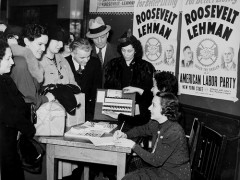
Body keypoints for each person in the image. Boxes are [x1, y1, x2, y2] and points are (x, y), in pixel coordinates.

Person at [113, 92, 191, 180]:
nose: (149, 108)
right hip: (160, 169)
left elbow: (156, 161)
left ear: (165, 110)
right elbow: (142, 130)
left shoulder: (174, 132)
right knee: (130, 172)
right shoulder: (156, 123)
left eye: (153, 105)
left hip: (174, 175)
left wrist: (132, 145)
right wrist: (125, 135)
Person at [104, 29, 155, 128]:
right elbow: (107, 88)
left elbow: (149, 94)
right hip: (115, 109)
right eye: (123, 50)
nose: (126, 54)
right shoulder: (112, 65)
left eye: (129, 51)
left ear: (136, 50)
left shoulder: (146, 67)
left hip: (137, 114)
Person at [0, 40, 36, 180]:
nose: (12, 63)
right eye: (8, 58)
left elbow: (20, 104)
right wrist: (28, 128)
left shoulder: (6, 80)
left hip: (10, 143)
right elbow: (8, 113)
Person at [104, 71, 178, 132]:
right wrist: (139, 90)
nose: (151, 89)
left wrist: (118, 116)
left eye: (154, 86)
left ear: (163, 89)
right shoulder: (169, 102)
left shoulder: (159, 109)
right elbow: (149, 96)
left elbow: (142, 120)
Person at [10, 24, 54, 110]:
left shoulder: (29, 60)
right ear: (26, 41)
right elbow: (29, 101)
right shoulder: (21, 63)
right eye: (40, 44)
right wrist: (47, 98)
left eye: (45, 44)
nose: (44, 49)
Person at [67, 38, 102, 119]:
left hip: (89, 110)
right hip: (69, 109)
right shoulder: (64, 63)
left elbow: (97, 90)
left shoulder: (95, 63)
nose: (86, 60)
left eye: (88, 56)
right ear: (72, 53)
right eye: (82, 57)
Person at [86, 16, 119, 86]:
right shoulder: (86, 53)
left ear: (107, 34)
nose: (99, 41)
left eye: (102, 37)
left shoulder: (118, 51)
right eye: (95, 38)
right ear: (91, 38)